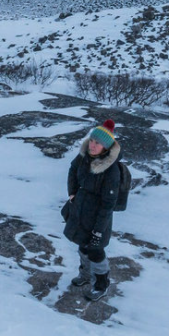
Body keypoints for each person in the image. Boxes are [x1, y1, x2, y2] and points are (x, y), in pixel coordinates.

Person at [64, 120, 123, 302]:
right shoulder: (84, 157)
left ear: (105, 147)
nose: (92, 145)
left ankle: (101, 284)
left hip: (98, 216)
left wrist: (98, 230)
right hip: (81, 209)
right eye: (92, 141)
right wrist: (72, 192)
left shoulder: (111, 170)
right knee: (82, 245)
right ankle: (86, 275)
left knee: (95, 251)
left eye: (97, 143)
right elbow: (72, 170)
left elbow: (108, 204)